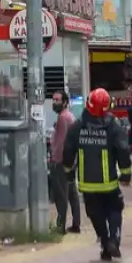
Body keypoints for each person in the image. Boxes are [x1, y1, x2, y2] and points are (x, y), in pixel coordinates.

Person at [62, 88, 132, 261]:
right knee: (115, 210)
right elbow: (123, 150)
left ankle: (105, 243)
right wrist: (126, 175)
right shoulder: (113, 126)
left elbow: (68, 152)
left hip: (87, 183)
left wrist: (68, 172)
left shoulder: (77, 126)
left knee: (95, 214)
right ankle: (113, 241)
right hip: (109, 182)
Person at [48, 91, 81, 234]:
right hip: (71, 161)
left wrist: (54, 158)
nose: (55, 102)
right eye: (54, 100)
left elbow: (60, 143)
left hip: (61, 161)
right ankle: (76, 223)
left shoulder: (63, 118)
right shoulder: (70, 116)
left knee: (61, 195)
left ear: (65, 102)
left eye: (57, 100)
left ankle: (60, 226)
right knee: (72, 193)